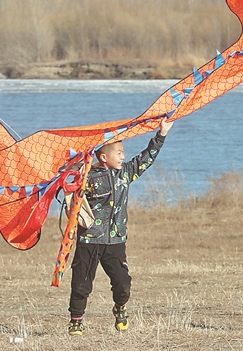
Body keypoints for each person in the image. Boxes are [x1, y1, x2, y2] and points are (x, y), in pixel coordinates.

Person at [67, 119, 173, 336]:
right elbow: (68, 190)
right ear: (104, 157)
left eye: (124, 153)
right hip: (89, 240)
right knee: (81, 283)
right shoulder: (88, 176)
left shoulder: (126, 174)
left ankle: (120, 308)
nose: (123, 156)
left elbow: (146, 158)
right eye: (119, 153)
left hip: (116, 241)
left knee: (123, 282)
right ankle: (76, 320)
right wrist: (74, 171)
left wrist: (161, 134)